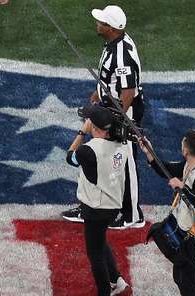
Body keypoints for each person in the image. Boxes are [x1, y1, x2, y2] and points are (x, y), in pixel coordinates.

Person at [62, 5, 144, 228]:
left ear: (110, 28)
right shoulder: (114, 44)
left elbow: (128, 91)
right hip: (109, 106)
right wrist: (99, 92)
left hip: (122, 112)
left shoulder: (122, 55)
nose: (97, 23)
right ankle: (91, 204)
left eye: (101, 22)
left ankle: (131, 214)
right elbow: (113, 80)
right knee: (101, 157)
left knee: (125, 161)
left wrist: (117, 118)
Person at [139, 131, 195, 296]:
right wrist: (150, 153)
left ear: (186, 151)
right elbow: (166, 169)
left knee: (186, 280)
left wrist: (183, 187)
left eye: (182, 145)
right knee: (182, 277)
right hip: (189, 231)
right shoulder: (189, 164)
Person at [65, 105, 131, 296]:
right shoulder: (122, 144)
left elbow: (70, 157)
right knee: (100, 241)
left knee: (94, 254)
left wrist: (81, 132)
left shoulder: (88, 150)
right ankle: (116, 279)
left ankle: (104, 291)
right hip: (113, 204)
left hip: (96, 206)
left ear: (92, 126)